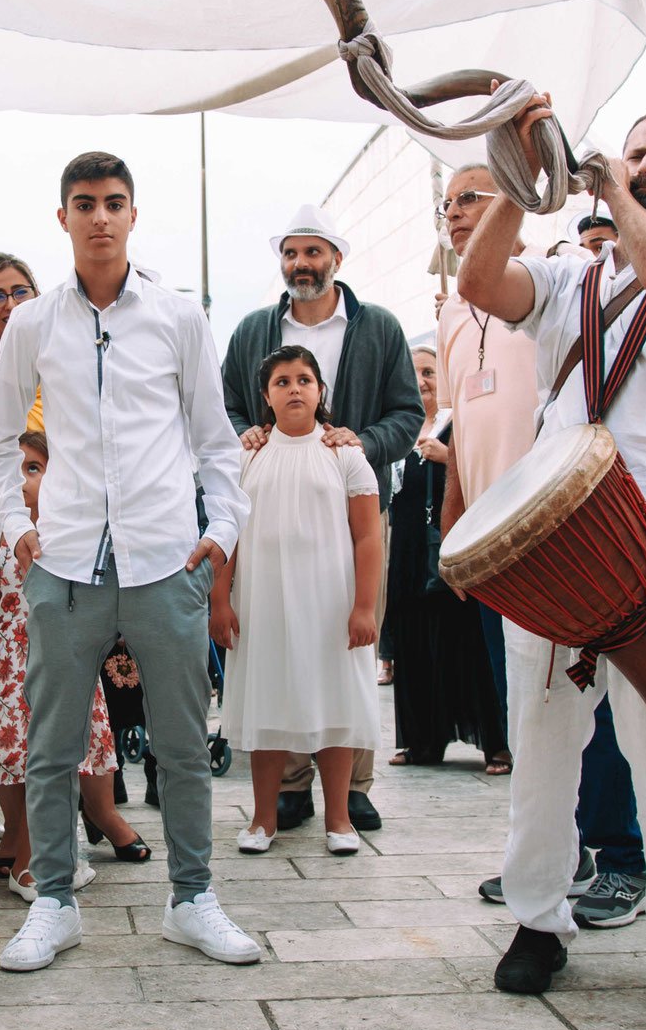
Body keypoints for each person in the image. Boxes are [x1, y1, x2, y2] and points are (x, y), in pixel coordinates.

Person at [461, 100, 646, 1017]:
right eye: (634, 154)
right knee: (544, 744)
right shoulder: (568, 277)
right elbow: (479, 281)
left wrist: (615, 192)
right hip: (559, 551)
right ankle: (537, 919)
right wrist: (521, 174)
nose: (644, 166)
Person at [0, 150, 260, 973]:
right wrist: (14, 524)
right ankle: (53, 900)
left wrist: (222, 532)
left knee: (182, 744)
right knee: (51, 744)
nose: (99, 216)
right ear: (62, 217)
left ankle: (192, 897)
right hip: (65, 559)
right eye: (84, 203)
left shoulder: (177, 316)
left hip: (166, 557)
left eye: (113, 202)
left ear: (133, 214)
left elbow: (215, 440)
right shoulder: (34, 322)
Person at [446, 174, 646, 929]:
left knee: (599, 711)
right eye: (450, 203)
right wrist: (455, 520)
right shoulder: (453, 311)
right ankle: (555, 861)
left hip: (566, 532)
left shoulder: (559, 281)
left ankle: (621, 857)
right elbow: (462, 424)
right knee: (532, 716)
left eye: (473, 197)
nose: (457, 212)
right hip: (495, 542)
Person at [0, 254, 145, 878]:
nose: (10, 304)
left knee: (90, 707)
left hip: (74, 532)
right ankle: (20, 833)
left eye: (21, 292)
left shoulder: (71, 360)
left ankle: (101, 813)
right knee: (7, 719)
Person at [222, 205, 420, 835]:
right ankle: (289, 786)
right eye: (291, 253)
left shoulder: (377, 326)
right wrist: (246, 434)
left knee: (346, 643)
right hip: (273, 514)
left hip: (353, 511)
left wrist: (362, 442)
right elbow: (226, 406)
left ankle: (353, 788)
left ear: (336, 257)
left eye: (313, 252)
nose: (301, 264)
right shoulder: (253, 330)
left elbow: (408, 413)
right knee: (279, 643)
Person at [0, 430, 129, 896]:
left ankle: (41, 854)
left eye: (34, 468)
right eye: (12, 470)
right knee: (16, 757)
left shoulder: (72, 530)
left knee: (60, 752)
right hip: (9, 664)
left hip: (63, 656)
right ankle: (28, 854)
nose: (23, 480)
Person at [215, 344, 385, 855]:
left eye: (304, 380)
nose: (294, 389)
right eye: (282, 382)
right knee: (267, 703)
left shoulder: (345, 454)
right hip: (263, 601)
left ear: (320, 390)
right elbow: (228, 536)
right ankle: (262, 819)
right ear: (266, 396)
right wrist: (219, 601)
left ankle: (339, 820)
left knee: (334, 702)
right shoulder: (246, 456)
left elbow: (368, 537)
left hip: (330, 602)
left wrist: (364, 606)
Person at [384, 344, 505, 770]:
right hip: (408, 551)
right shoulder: (398, 427)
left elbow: (487, 466)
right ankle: (421, 742)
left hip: (453, 546)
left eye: (429, 372)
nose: (421, 382)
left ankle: (496, 743)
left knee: (468, 646)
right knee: (414, 642)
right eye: (413, 373)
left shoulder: (459, 423)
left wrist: (447, 455)